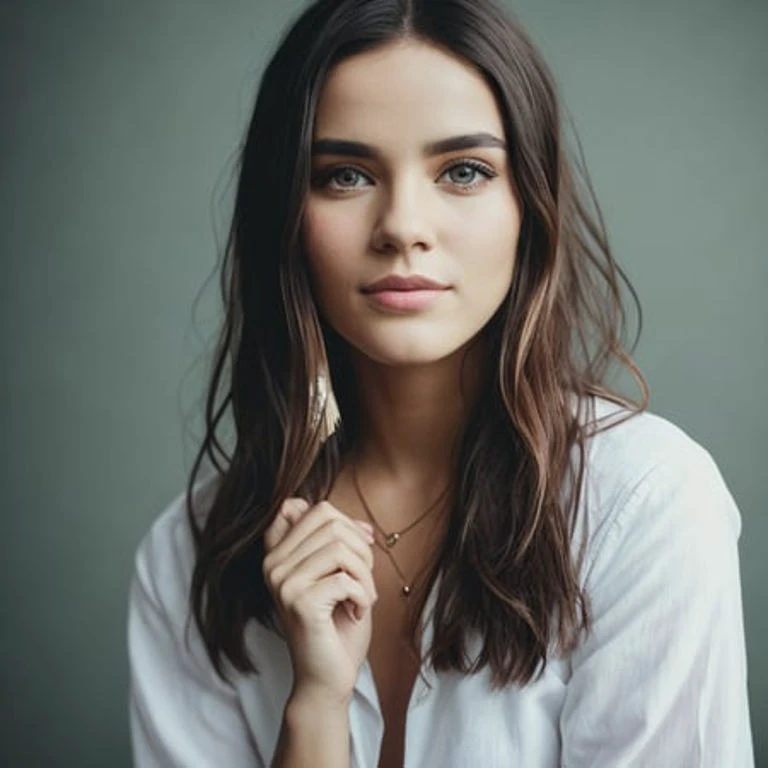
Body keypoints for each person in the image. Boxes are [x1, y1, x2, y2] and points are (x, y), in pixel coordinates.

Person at [126, 0, 754, 765]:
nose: (403, 225)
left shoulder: (645, 504)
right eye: (345, 175)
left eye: (464, 171)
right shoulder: (190, 559)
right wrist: (316, 709)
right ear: (285, 214)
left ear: (529, 205)